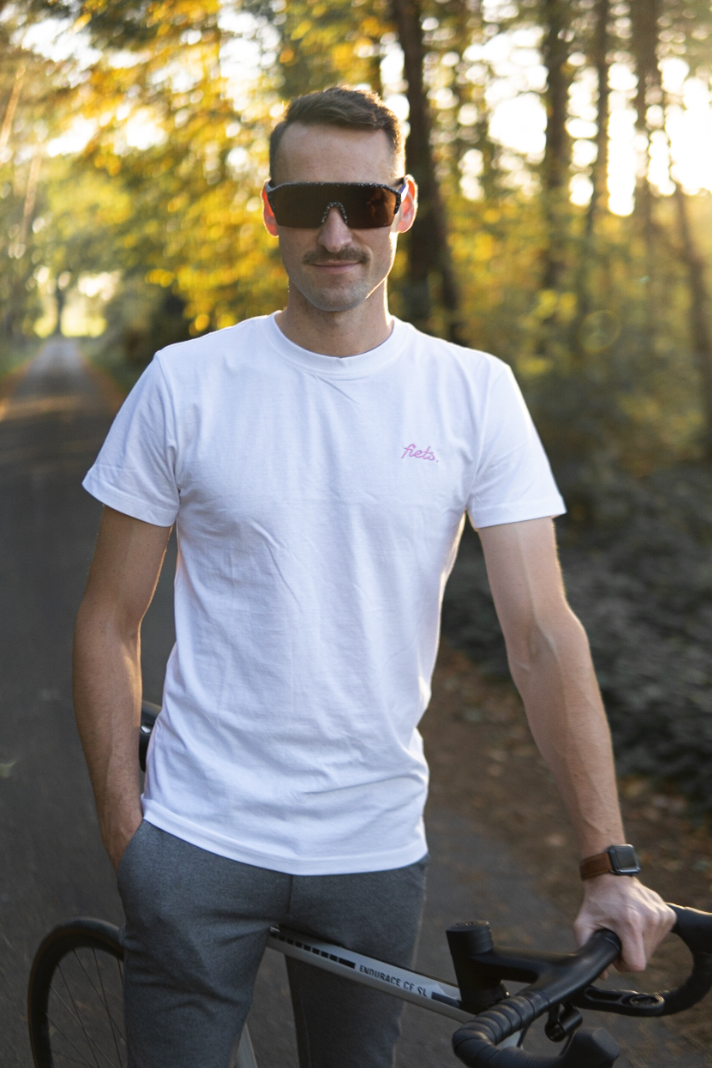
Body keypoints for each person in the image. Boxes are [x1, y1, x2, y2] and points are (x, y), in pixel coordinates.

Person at [73, 86, 674, 1068]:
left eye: (362, 202)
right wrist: (124, 831)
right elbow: (109, 620)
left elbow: (541, 635)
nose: (335, 233)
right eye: (305, 204)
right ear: (270, 211)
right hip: (194, 840)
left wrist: (607, 863)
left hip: (373, 853)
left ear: (404, 204)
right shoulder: (185, 383)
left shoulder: (474, 392)